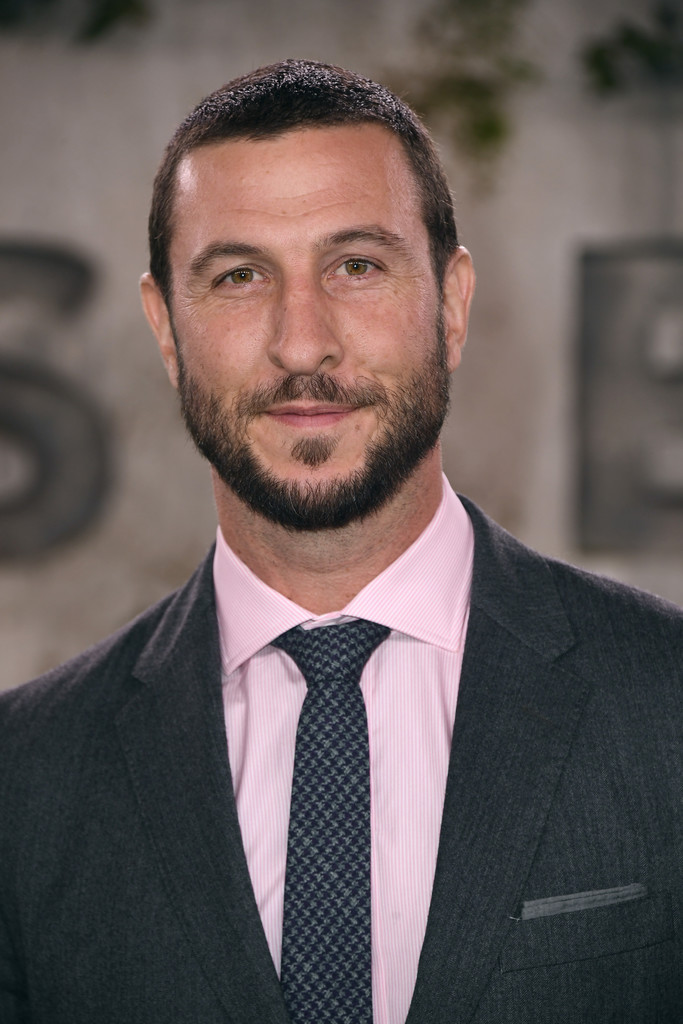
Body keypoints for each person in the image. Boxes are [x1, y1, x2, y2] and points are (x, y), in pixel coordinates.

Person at [1, 59, 682, 1024]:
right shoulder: (23, 778)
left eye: (356, 265)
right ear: (166, 331)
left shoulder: (666, 704)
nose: (301, 343)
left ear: (451, 303)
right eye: (239, 277)